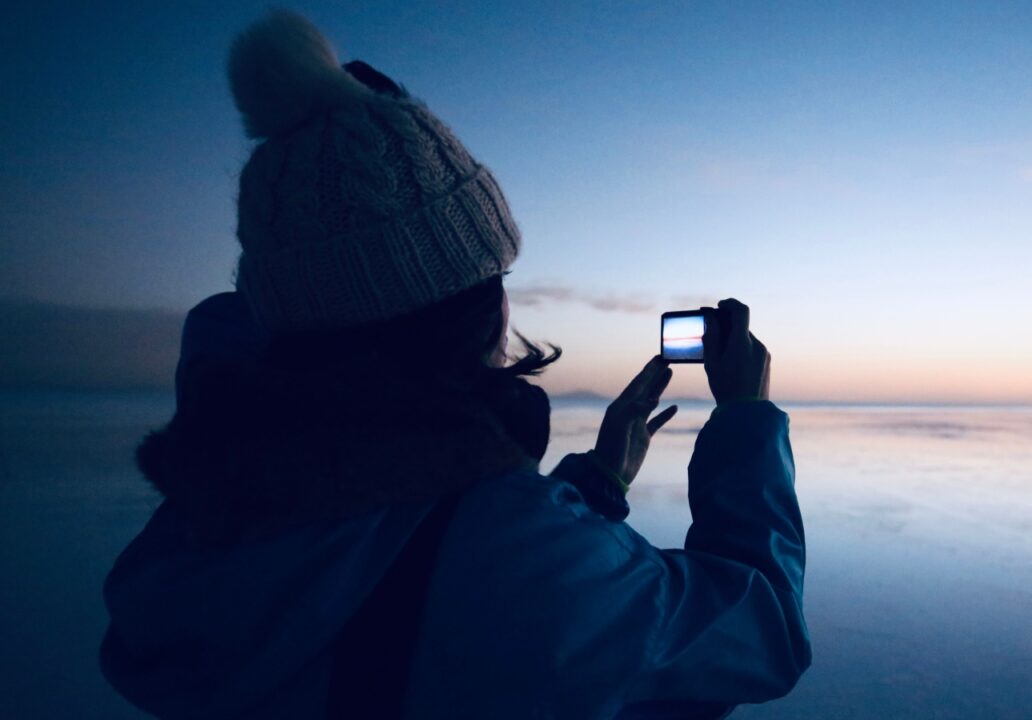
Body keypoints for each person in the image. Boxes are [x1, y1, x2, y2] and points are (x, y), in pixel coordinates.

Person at [100, 10, 810, 719]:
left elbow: (403, 555)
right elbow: (760, 633)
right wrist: (746, 424)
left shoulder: (189, 532)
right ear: (470, 309)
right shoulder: (523, 563)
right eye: (492, 277)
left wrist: (597, 481)